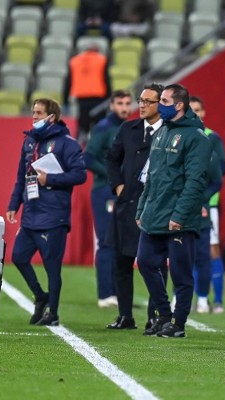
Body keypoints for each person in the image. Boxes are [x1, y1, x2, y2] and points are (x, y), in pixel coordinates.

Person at [135, 83, 211, 338]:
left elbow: (195, 181)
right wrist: (141, 208)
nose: (161, 106)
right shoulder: (161, 132)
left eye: (165, 101)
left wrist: (179, 215)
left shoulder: (197, 138)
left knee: (180, 273)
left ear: (179, 105)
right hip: (154, 213)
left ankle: (178, 323)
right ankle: (164, 315)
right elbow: (151, 176)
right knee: (145, 262)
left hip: (179, 219)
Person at [6, 98, 87, 326]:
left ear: (52, 117)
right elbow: (21, 175)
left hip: (53, 215)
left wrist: (49, 178)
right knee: (18, 257)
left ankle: (53, 312)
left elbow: (80, 175)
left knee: (52, 266)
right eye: (33, 112)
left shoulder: (67, 144)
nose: (34, 117)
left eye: (39, 113)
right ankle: (41, 297)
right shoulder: (29, 141)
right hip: (31, 213)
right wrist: (14, 205)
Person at [105, 83, 165, 330]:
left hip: (154, 207)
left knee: (154, 264)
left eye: (148, 101)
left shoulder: (169, 133)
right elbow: (111, 158)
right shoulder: (128, 128)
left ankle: (154, 316)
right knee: (120, 262)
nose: (141, 105)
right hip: (127, 205)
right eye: (140, 100)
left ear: (161, 104)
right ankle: (125, 315)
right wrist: (118, 186)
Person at [83, 89, 132, 308]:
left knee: (122, 243)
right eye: (120, 103)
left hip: (123, 191)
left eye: (127, 103)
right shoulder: (104, 128)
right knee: (106, 241)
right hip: (104, 190)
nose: (124, 107)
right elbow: (88, 158)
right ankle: (105, 294)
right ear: (111, 105)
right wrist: (113, 176)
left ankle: (117, 292)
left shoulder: (128, 128)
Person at [189, 96, 225, 313]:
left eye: (198, 109)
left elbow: (222, 168)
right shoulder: (182, 136)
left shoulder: (212, 138)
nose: (196, 113)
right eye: (191, 110)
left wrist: (201, 191)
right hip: (185, 205)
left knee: (211, 250)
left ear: (204, 112)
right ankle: (194, 297)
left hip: (208, 204)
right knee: (187, 251)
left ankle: (219, 300)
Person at [64, 44, 110, 140]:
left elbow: (68, 81)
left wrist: (65, 99)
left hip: (81, 97)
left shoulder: (74, 61)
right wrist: (109, 97)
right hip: (99, 97)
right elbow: (106, 79)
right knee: (100, 125)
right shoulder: (102, 60)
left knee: (83, 124)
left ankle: (80, 145)